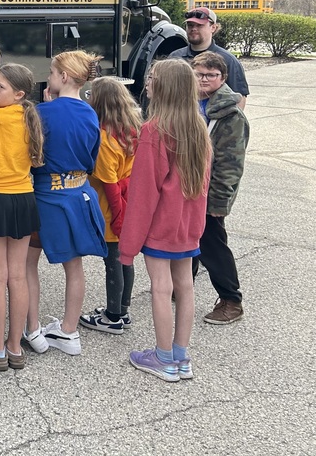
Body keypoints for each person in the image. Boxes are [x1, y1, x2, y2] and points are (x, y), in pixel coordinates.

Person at [120, 59, 211, 383]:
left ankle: (161, 357)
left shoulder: (154, 131)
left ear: (165, 87)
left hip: (160, 227)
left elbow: (144, 196)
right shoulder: (199, 128)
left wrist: (127, 246)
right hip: (188, 227)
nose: (147, 82)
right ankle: (181, 356)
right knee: (185, 286)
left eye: (153, 78)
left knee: (161, 287)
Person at [24, 51, 106, 357]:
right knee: (75, 267)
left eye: (52, 71)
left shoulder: (42, 113)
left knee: (27, 263)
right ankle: (68, 331)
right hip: (78, 193)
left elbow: (32, 156)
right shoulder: (90, 113)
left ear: (64, 77)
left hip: (45, 195)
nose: (50, 76)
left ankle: (31, 327)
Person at [0, 63, 43, 372]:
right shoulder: (30, 118)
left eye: (0, 87)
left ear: (19, 93)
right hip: (24, 199)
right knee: (18, 276)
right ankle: (15, 347)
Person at [79, 76, 142, 334]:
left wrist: (117, 219)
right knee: (126, 259)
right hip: (131, 199)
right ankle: (122, 310)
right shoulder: (132, 128)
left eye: (92, 94)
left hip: (110, 207)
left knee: (113, 260)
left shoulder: (105, 139)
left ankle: (113, 315)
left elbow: (110, 184)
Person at [192, 51, 250, 326]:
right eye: (199, 74)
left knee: (212, 244)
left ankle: (231, 300)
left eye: (210, 75)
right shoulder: (192, 102)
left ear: (223, 78)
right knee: (188, 237)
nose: (203, 79)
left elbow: (230, 163)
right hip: (190, 187)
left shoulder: (230, 115)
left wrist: (219, 201)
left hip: (211, 192)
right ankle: (183, 287)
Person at [170, 7, 249, 108]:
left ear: (213, 27)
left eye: (199, 25)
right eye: (190, 25)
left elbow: (239, 98)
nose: (193, 29)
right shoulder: (175, 58)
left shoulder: (228, 60)